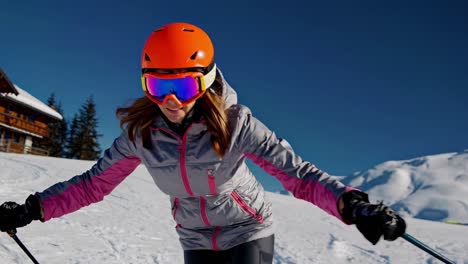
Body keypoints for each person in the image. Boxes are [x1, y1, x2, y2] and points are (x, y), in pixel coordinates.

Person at [0, 22, 406, 264]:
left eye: (184, 84)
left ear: (207, 80)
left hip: (248, 229)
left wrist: (352, 204)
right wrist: (33, 209)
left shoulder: (237, 124)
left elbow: (298, 176)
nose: (171, 100)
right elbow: (92, 184)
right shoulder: (142, 135)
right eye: (158, 85)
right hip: (194, 236)